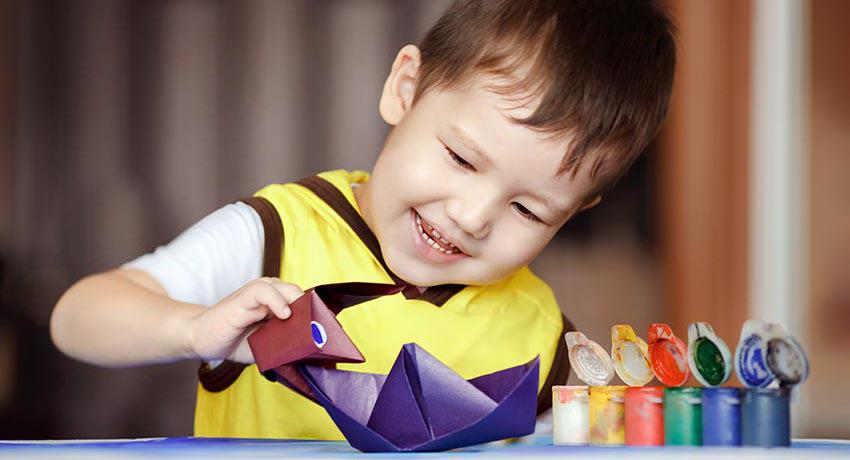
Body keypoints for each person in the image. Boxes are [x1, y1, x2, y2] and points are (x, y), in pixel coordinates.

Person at [50, 0, 675, 439]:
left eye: (528, 209)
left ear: (573, 213)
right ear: (405, 88)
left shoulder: (546, 342)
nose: (472, 217)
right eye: (461, 157)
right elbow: (77, 316)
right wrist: (192, 329)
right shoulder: (275, 234)